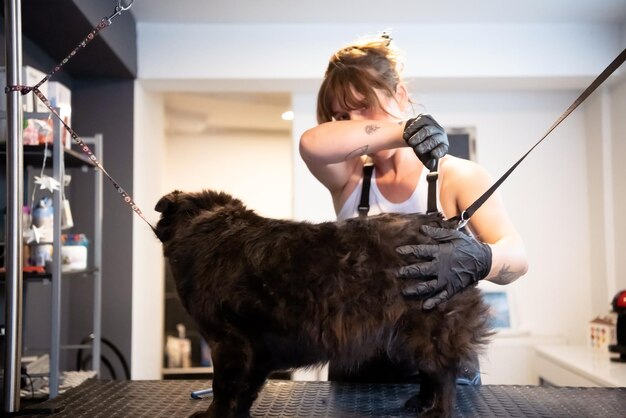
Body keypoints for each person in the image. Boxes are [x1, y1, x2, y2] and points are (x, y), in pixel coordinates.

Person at [299, 33, 528, 383]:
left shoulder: (458, 177)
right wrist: (400, 130)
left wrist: (482, 259)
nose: (355, 122)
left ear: (400, 95)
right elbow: (311, 144)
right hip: (358, 368)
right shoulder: (349, 179)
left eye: (365, 106)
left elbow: (517, 259)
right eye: (342, 115)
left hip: (441, 365)